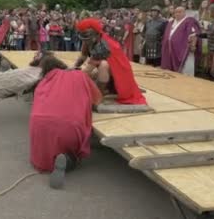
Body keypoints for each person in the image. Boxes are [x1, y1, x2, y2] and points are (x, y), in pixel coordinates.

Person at [29, 53, 102, 189]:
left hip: (39, 128)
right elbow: (97, 98)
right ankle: (69, 160)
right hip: (68, 128)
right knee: (73, 148)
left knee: (45, 152)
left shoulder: (42, 82)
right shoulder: (79, 75)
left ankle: (52, 158)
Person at [73, 18, 147, 110]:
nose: (86, 40)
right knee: (94, 71)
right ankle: (101, 89)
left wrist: (73, 79)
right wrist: (74, 67)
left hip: (118, 74)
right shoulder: (89, 40)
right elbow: (83, 56)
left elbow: (88, 69)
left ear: (95, 34)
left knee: (103, 66)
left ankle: (98, 95)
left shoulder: (103, 45)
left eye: (87, 36)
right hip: (105, 70)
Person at [161, 6, 201, 76]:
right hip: (170, 51)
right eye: (176, 12)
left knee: (185, 71)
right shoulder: (171, 23)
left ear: (184, 12)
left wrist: (193, 45)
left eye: (180, 12)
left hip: (183, 51)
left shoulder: (189, 21)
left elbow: (194, 34)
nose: (177, 14)